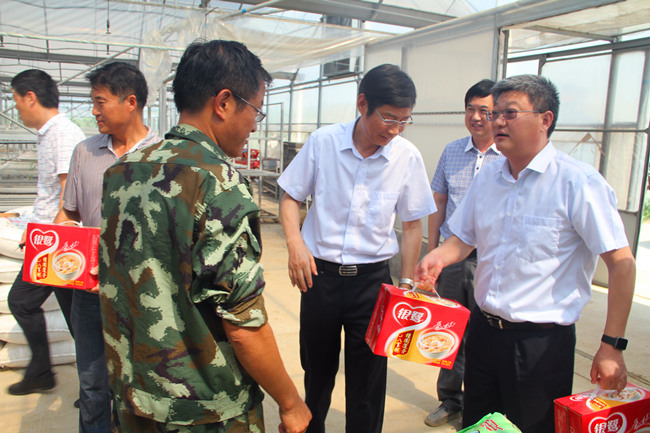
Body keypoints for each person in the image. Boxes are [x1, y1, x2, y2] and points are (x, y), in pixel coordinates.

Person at [98, 40, 311, 433]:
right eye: (255, 110)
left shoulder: (122, 172)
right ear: (224, 103)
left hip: (132, 397)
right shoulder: (218, 184)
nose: (254, 125)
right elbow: (243, 326)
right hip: (203, 411)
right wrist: (290, 401)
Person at [415, 74, 636, 433]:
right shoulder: (489, 178)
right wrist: (437, 256)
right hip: (484, 334)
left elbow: (622, 264)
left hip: (539, 346)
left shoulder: (577, 182)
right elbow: (463, 239)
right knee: (479, 425)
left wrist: (612, 345)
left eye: (510, 113)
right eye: (496, 113)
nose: (497, 122)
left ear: (545, 119)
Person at [278, 64, 436, 433]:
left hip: (373, 284)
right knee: (317, 371)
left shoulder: (406, 156)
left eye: (404, 121)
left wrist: (406, 284)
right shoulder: (324, 143)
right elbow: (290, 198)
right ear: (362, 104)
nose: (395, 130)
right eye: (389, 118)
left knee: (368, 381)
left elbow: (413, 225)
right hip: (319, 277)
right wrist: (295, 243)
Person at [53, 61, 161, 433]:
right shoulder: (85, 152)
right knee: (92, 385)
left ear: (131, 102)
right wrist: (55, 240)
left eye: (100, 102)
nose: (94, 111)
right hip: (91, 293)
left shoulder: (162, 156)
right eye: (93, 102)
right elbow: (69, 213)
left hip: (143, 294)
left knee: (142, 386)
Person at [424, 79, 502, 427]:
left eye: (485, 110)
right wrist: (432, 251)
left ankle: (478, 405)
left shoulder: (508, 157)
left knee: (485, 335)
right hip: (452, 257)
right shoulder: (452, 150)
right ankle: (450, 400)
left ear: (498, 114)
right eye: (471, 109)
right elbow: (439, 202)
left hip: (490, 260)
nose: (477, 117)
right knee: (448, 329)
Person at [7, 69, 85, 396]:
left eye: (16, 102)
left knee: (21, 301)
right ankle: (94, 388)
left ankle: (46, 373)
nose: (17, 110)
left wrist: (43, 238)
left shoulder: (63, 134)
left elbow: (69, 197)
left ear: (30, 97)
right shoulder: (50, 134)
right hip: (50, 238)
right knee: (75, 318)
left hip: (56, 242)